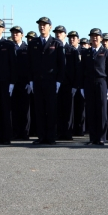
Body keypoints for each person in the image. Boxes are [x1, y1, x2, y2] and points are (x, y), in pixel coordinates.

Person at [28, 17, 65, 145]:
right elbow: (30, 63)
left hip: (51, 81)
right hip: (37, 81)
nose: (42, 27)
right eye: (40, 25)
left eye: (45, 25)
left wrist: (59, 81)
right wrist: (31, 80)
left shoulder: (56, 43)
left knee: (51, 109)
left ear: (50, 26)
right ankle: (41, 137)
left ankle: (51, 137)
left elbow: (61, 64)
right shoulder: (33, 43)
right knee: (39, 109)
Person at [80, 28, 108, 145]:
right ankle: (93, 137)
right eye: (92, 36)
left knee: (102, 111)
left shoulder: (106, 52)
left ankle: (102, 137)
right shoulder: (86, 53)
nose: (94, 38)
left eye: (97, 36)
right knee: (91, 110)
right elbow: (82, 70)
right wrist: (82, 87)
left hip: (101, 82)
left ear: (101, 38)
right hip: (88, 83)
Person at [10, 26, 30, 140]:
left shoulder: (27, 48)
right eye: (13, 33)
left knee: (25, 110)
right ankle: (15, 132)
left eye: (17, 33)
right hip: (12, 83)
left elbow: (30, 66)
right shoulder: (9, 47)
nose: (15, 35)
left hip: (24, 82)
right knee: (14, 109)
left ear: (22, 35)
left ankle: (25, 132)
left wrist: (29, 82)